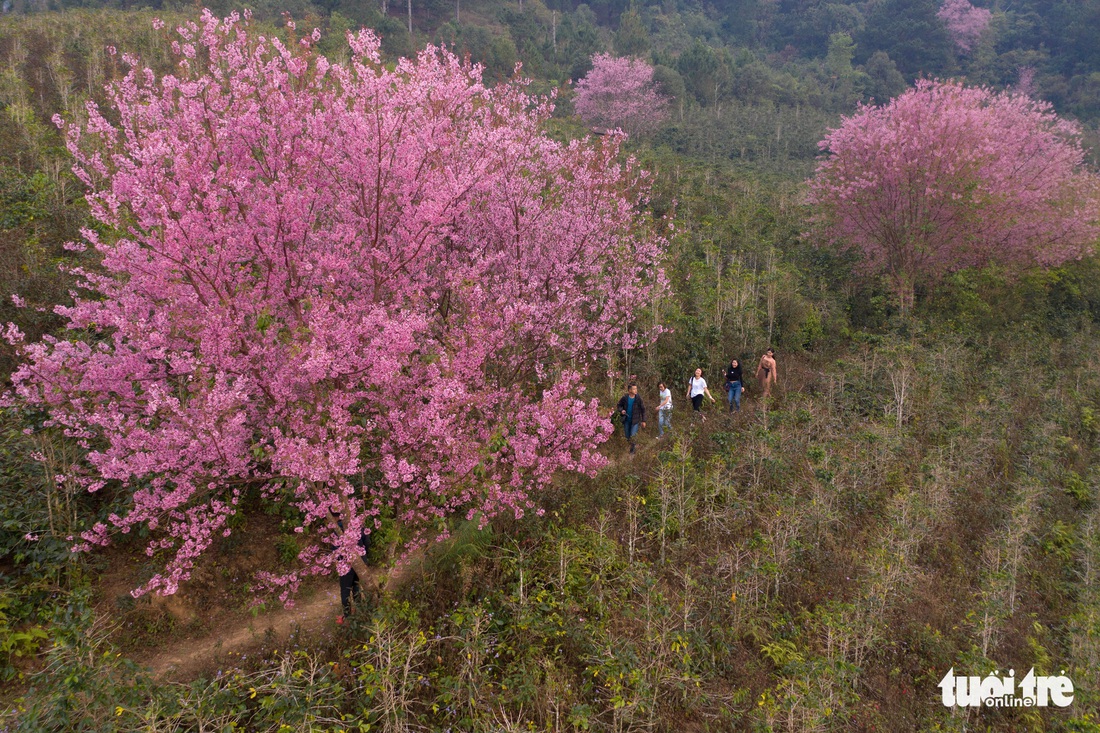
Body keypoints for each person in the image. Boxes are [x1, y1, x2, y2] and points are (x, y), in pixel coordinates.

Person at [334, 524, 372, 625]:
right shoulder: (358, 524)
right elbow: (367, 542)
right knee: (356, 585)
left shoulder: (337, 528)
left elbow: (335, 550)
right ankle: (359, 610)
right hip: (360, 562)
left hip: (345, 564)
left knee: (345, 590)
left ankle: (348, 616)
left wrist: (338, 561)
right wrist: (364, 555)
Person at [612, 382, 646, 454]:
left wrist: (643, 420)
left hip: (635, 420)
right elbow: (619, 405)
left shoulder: (638, 398)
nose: (636, 390)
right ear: (629, 390)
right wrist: (621, 410)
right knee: (627, 436)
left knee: (633, 435)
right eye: (634, 389)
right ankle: (632, 446)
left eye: (636, 388)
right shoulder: (625, 398)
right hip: (626, 420)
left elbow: (643, 409)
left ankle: (632, 452)